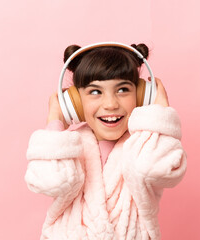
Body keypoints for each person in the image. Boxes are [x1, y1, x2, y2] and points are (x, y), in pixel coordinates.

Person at [25, 43, 187, 240]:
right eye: (95, 92)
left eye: (123, 90)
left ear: (142, 96)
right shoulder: (69, 146)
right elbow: (52, 181)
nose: (110, 104)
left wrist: (159, 111)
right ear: (74, 102)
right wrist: (55, 121)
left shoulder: (143, 144)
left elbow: (154, 167)